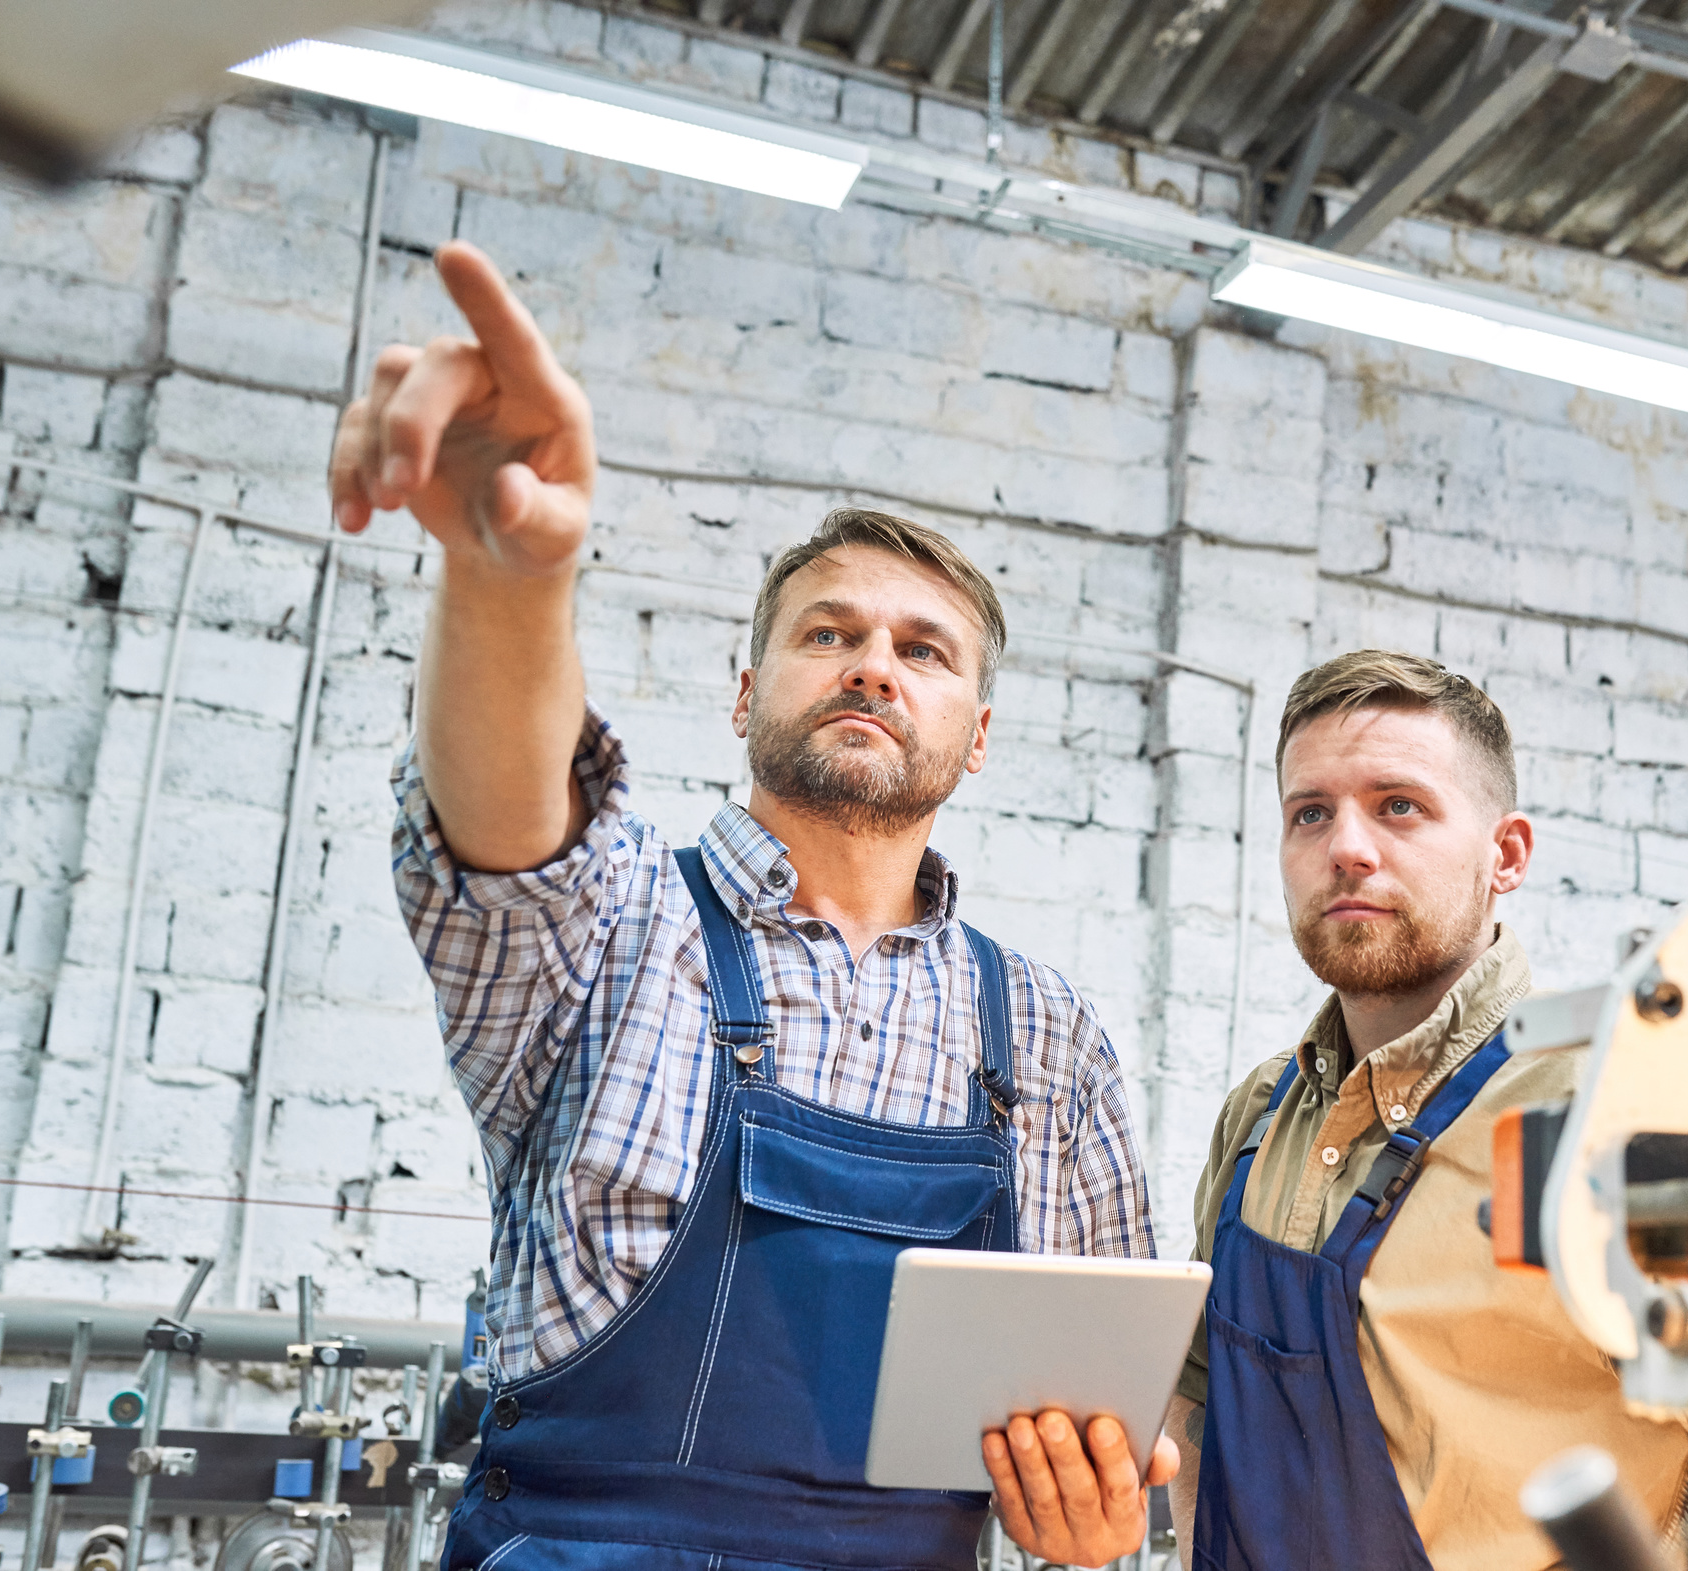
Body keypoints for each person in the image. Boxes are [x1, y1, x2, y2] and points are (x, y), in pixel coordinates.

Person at [333, 240, 1175, 1571]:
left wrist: (1095, 1512)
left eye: (921, 649)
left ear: (977, 731)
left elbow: (1100, 1443)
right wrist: (509, 574)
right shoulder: (614, 929)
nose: (870, 666)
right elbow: (503, 822)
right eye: (827, 632)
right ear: (745, 693)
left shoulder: (1050, 1042)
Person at [1162, 649, 1688, 1571]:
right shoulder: (1260, 1118)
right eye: (1311, 812)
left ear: (1505, 855)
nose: (1346, 844)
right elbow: (1203, 1397)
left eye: (1398, 805)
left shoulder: (1615, 1118)